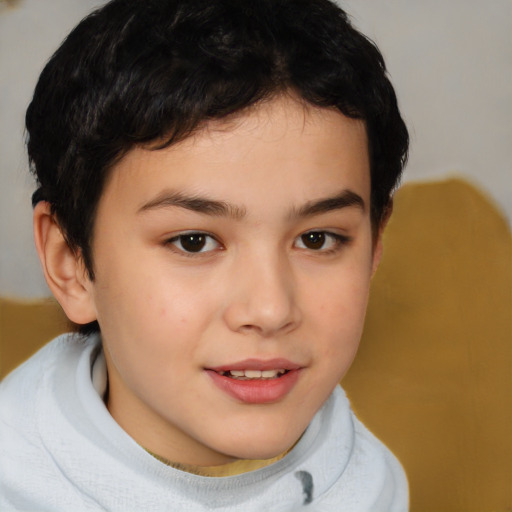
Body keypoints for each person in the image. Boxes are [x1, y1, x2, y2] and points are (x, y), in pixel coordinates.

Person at [0, 0, 409, 509]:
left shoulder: (371, 482)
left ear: (373, 247)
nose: (270, 310)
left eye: (317, 239)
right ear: (72, 264)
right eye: (193, 241)